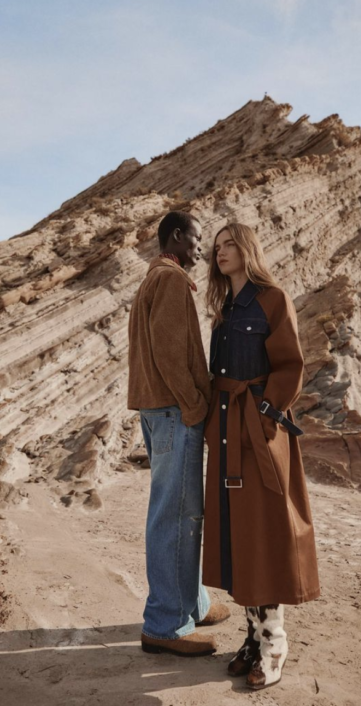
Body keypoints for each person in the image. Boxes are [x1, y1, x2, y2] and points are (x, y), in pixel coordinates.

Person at [202, 222, 320, 690]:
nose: (221, 252)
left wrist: (267, 416)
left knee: (267, 530)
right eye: (216, 247)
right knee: (239, 534)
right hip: (228, 428)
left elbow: (291, 364)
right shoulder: (222, 311)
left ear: (247, 248)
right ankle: (252, 636)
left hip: (260, 431)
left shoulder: (273, 298)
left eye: (229, 244)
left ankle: (275, 643)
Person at [127, 210, 231, 657]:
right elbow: (170, 353)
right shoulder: (170, 280)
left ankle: (191, 604)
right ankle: (166, 625)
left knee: (182, 512)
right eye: (196, 238)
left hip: (161, 411)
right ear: (176, 236)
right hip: (174, 412)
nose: (201, 248)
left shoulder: (155, 279)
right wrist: (195, 406)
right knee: (176, 515)